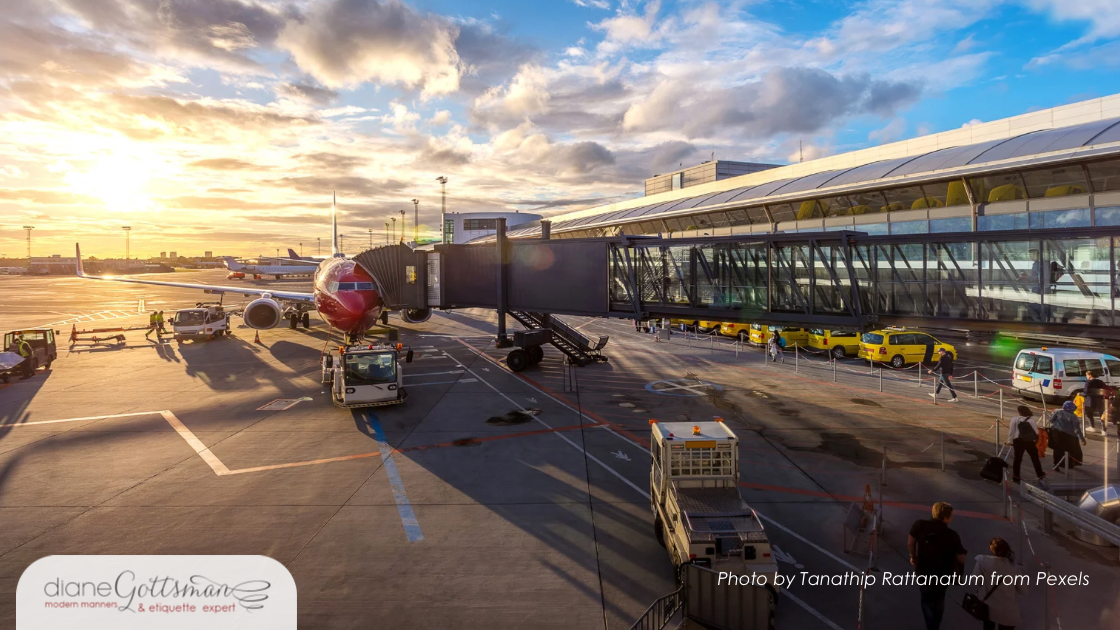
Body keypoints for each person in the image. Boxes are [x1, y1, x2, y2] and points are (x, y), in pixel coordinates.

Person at [909, 502, 967, 630]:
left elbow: (910, 543)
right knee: (939, 599)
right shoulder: (952, 535)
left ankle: (931, 626)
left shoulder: (919, 525)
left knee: (925, 599)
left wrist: (913, 557)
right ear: (946, 518)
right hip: (943, 574)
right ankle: (935, 625)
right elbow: (961, 558)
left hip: (924, 570)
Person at [970, 537, 1025, 630]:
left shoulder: (982, 561)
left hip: (988, 608)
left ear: (991, 549)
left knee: (988, 625)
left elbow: (974, 581)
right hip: (1008, 612)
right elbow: (1023, 590)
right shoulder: (1014, 567)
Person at [1006, 405, 1045, 484]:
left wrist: (1009, 441)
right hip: (1029, 441)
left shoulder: (1014, 419)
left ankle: (1016, 477)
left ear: (1019, 412)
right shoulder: (1031, 420)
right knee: (1035, 458)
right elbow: (1036, 432)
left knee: (1017, 459)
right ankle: (1040, 474)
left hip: (1018, 441)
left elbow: (1011, 431)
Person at [1049, 400, 1086, 471]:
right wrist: (1082, 439)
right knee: (1070, 450)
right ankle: (1068, 464)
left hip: (1056, 433)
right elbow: (1077, 430)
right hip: (1069, 436)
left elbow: (1051, 420)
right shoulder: (1073, 417)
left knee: (1057, 449)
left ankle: (1055, 464)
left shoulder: (1058, 412)